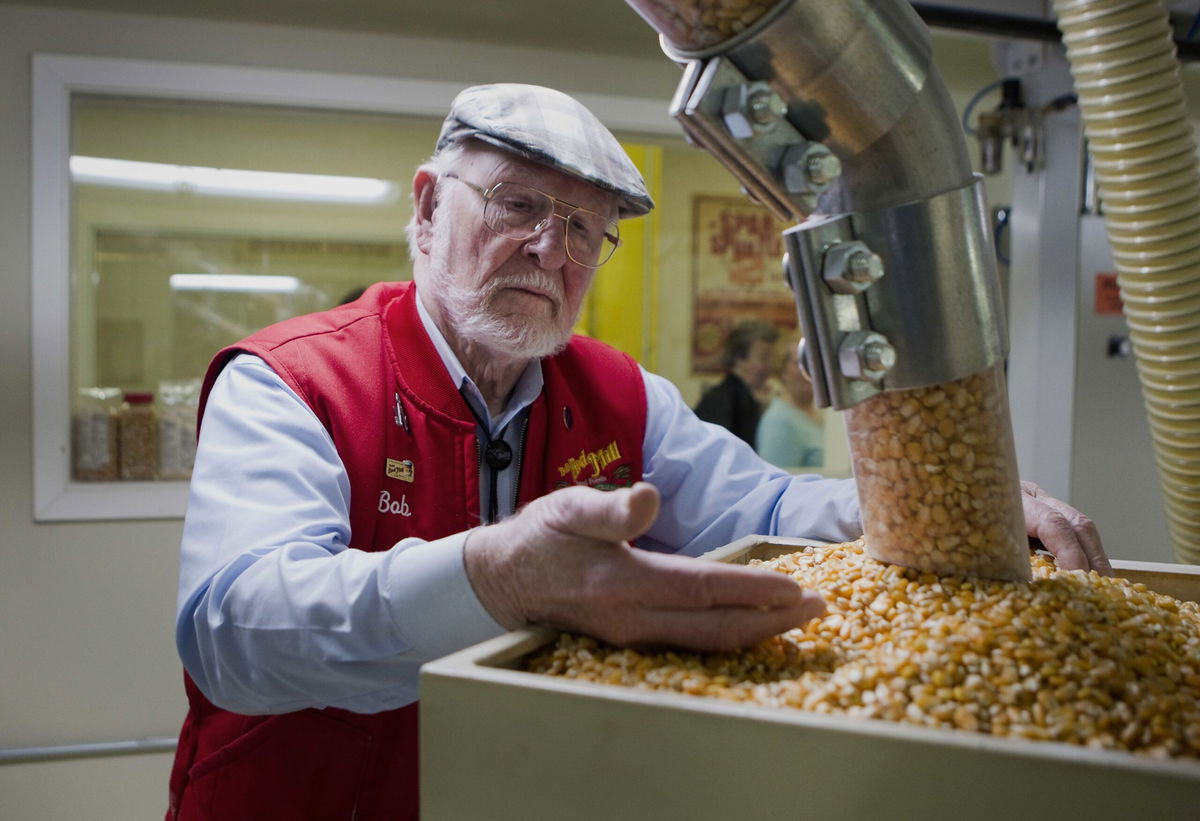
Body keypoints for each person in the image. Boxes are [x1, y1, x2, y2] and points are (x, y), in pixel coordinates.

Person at [167, 83, 1110, 820]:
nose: (550, 248)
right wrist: (497, 578)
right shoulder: (293, 380)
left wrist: (945, 502)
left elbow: (768, 510)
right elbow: (232, 630)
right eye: (518, 202)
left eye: (585, 228)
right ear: (425, 208)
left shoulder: (617, 394)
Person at [694, 319, 778, 446]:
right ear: (739, 359)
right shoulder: (729, 402)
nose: (769, 366)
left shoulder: (726, 396)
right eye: (763, 358)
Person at [756, 336, 824, 468]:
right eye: (799, 363)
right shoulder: (779, 421)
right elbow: (777, 481)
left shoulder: (818, 415)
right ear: (783, 371)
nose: (809, 370)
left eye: (814, 362)